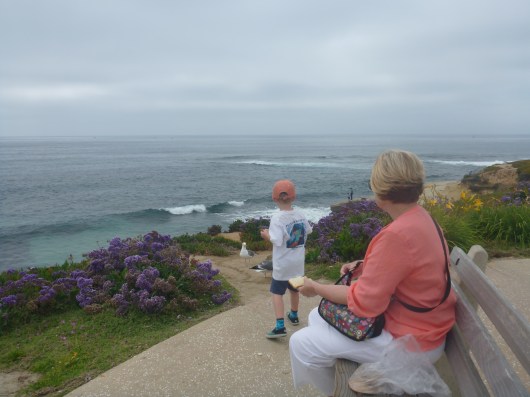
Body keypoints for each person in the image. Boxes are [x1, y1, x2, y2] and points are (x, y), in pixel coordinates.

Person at [289, 150, 457, 396]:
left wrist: (316, 288)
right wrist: (365, 264)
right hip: (428, 328)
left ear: (381, 192)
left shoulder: (396, 235)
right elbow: (411, 264)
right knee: (317, 317)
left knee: (301, 343)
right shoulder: (422, 219)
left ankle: (338, 391)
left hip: (411, 343)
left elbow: (365, 305)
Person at [260, 179, 313, 339]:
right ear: (294, 197)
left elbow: (276, 240)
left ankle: (280, 326)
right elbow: (308, 231)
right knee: (294, 290)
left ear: (274, 198)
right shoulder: (300, 214)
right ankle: (294, 315)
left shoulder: (277, 218)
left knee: (277, 293)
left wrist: (265, 235)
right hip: (297, 265)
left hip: (283, 266)